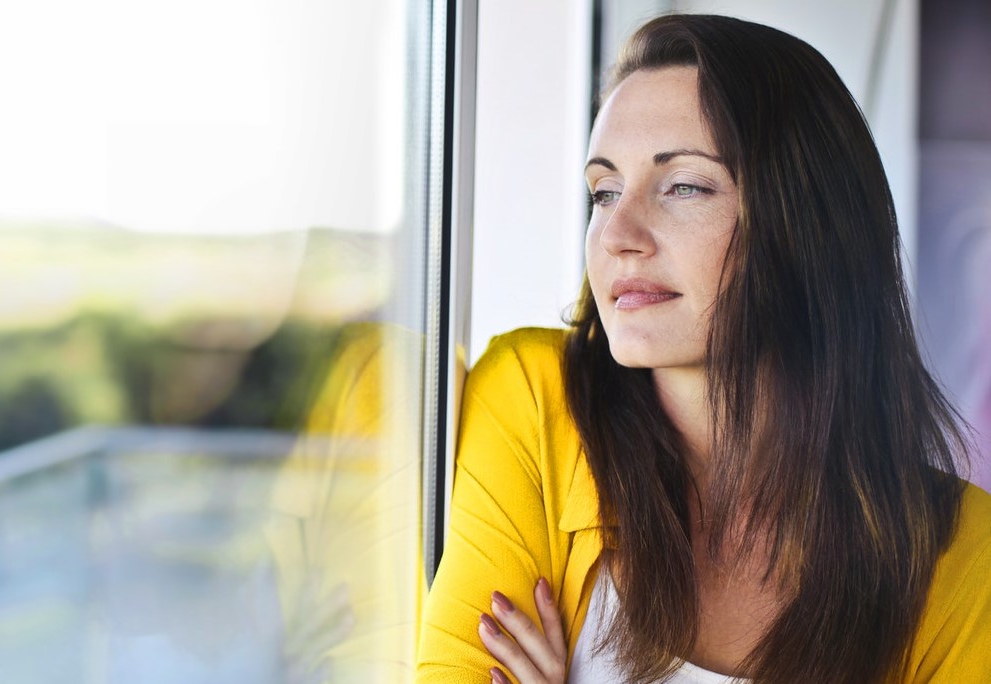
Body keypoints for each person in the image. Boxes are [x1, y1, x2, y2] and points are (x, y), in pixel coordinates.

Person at [416, 13, 991, 684]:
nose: (617, 234)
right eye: (603, 192)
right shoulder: (532, 398)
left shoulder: (962, 554)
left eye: (682, 185)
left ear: (806, 223)